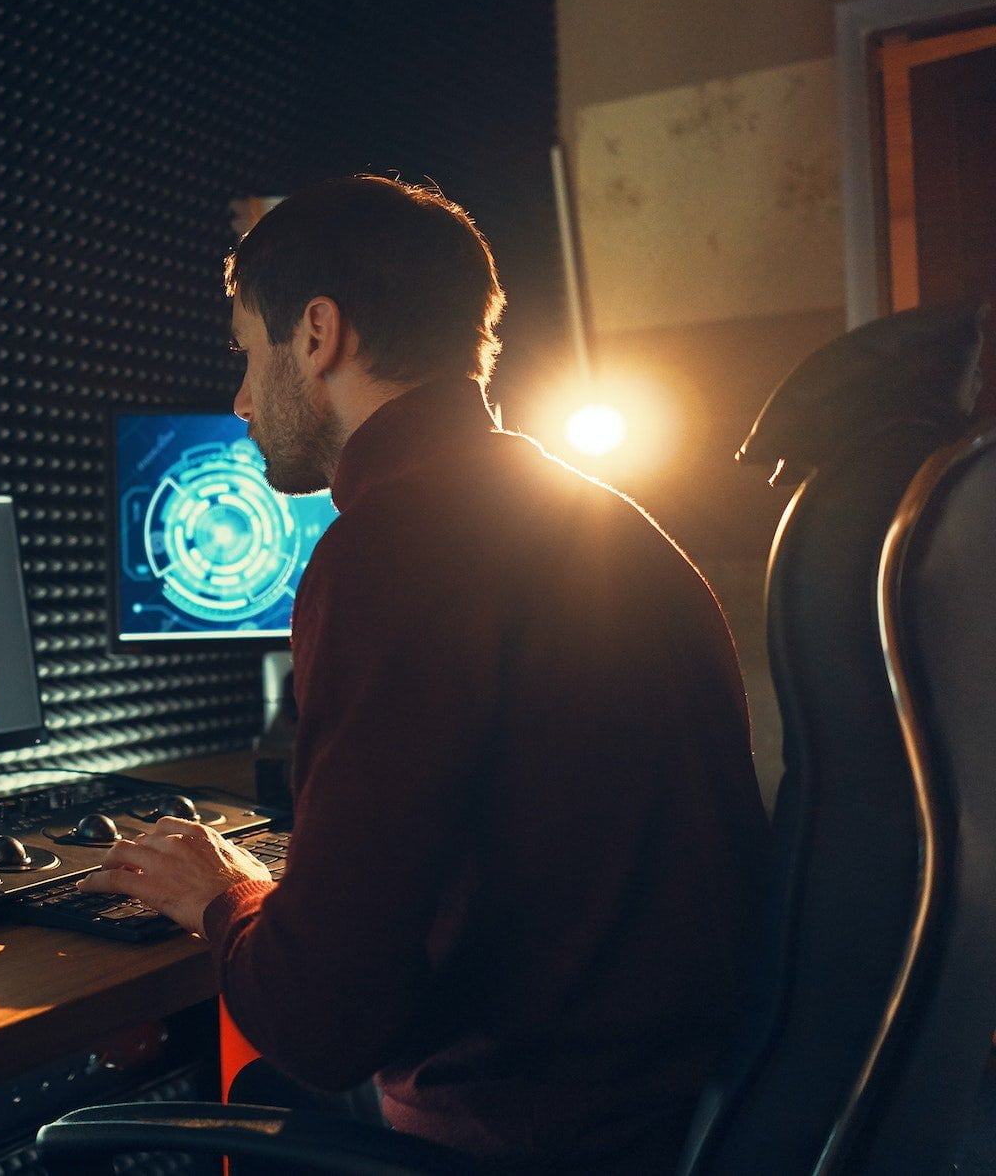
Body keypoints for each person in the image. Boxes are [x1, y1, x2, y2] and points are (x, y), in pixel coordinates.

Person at [77, 175, 770, 1174]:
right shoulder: (601, 516)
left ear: (315, 334)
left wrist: (228, 893)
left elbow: (322, 1020)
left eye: (245, 349)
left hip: (531, 1131)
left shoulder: (394, 545)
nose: (237, 398)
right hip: (681, 1108)